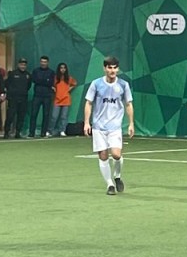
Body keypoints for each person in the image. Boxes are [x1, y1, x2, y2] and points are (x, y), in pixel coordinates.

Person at [84, 56, 135, 195]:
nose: (112, 71)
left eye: (114, 68)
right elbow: (88, 103)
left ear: (118, 69)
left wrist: (131, 123)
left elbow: (128, 104)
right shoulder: (96, 84)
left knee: (116, 155)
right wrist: (87, 122)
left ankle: (117, 176)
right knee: (103, 155)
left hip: (115, 127)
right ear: (104, 68)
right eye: (109, 68)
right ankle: (110, 184)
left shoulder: (123, 85)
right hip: (98, 127)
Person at [49, 62, 77, 137]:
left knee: (63, 117)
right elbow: (51, 85)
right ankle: (50, 131)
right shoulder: (55, 78)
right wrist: (53, 88)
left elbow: (74, 83)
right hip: (57, 99)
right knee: (54, 117)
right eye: (61, 68)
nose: (63, 69)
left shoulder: (68, 78)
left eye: (64, 68)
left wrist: (69, 89)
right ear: (59, 69)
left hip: (66, 100)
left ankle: (62, 130)